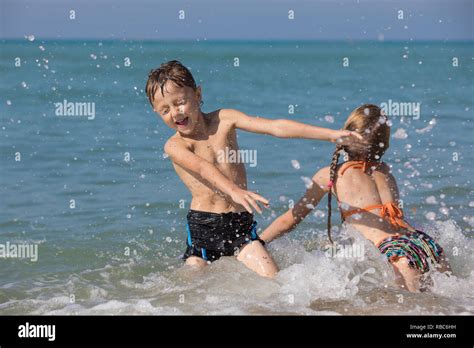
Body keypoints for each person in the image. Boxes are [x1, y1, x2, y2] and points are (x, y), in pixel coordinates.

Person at [145, 60, 364, 278]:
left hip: (239, 225)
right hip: (204, 228)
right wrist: (233, 190)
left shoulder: (224, 119)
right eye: (164, 110)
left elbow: (275, 127)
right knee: (189, 288)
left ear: (198, 95)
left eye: (180, 102)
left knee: (275, 280)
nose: (175, 113)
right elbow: (203, 168)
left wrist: (330, 134)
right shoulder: (175, 145)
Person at [259, 104, 450, 290]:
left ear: (346, 136)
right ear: (385, 142)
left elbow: (290, 219)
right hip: (426, 244)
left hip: (396, 252)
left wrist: (256, 243)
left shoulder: (331, 174)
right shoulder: (385, 171)